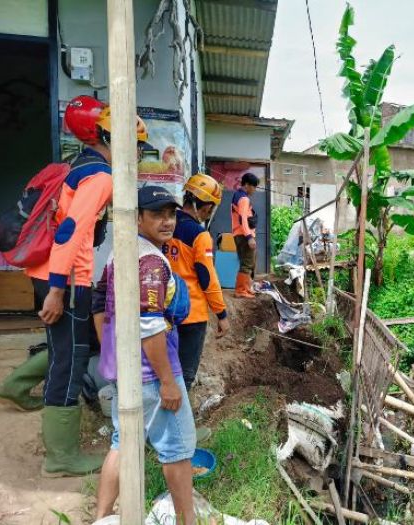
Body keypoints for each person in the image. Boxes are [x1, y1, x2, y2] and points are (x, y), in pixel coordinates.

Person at [3, 95, 148, 477]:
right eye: (132, 145)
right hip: (65, 279)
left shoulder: (79, 163)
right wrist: (57, 288)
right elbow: (70, 232)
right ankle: (61, 458)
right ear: (110, 138)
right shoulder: (99, 176)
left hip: (56, 275)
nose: (134, 153)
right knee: (69, 360)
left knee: (66, 345)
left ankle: (17, 386)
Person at [94, 186, 196, 525]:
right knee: (178, 451)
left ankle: (102, 516)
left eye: (171, 214)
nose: (167, 221)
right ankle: (187, 521)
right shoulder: (151, 261)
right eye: (157, 214)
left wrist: (116, 355)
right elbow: (149, 325)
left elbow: (98, 306)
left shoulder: (118, 252)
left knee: (123, 442)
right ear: (137, 217)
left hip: (127, 369)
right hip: (154, 374)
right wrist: (168, 381)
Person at [164, 173, 229, 440]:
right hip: (191, 315)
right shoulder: (199, 236)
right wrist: (222, 313)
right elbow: (207, 277)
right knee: (184, 375)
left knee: (164, 371)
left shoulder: (164, 226)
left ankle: (162, 426)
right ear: (206, 206)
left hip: (163, 312)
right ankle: (177, 433)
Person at [231, 172, 259, 298]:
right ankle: (241, 290)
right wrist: (249, 237)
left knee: (248, 262)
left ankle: (246, 288)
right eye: (253, 186)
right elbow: (243, 218)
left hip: (239, 233)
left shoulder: (237, 195)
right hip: (243, 235)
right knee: (247, 263)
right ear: (247, 185)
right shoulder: (243, 199)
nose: (254, 189)